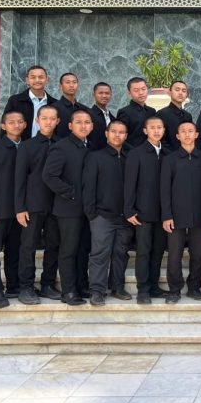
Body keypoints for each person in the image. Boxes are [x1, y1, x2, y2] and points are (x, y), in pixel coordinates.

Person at [42, 109, 94, 306]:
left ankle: (82, 286)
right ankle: (69, 291)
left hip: (87, 209)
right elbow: (49, 176)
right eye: (78, 122)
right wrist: (71, 193)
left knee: (83, 249)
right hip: (68, 209)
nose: (83, 126)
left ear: (92, 126)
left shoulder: (91, 146)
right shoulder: (61, 147)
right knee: (68, 251)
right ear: (70, 126)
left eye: (87, 122)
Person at [82, 120, 133, 306]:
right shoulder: (96, 157)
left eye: (121, 132)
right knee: (100, 254)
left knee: (121, 253)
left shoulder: (131, 156)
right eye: (114, 131)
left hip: (125, 216)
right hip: (102, 216)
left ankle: (117, 287)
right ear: (106, 134)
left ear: (126, 136)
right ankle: (97, 290)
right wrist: (92, 214)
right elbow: (88, 188)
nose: (117, 135)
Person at [15, 105, 61, 305]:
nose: (48, 122)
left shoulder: (62, 144)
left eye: (52, 119)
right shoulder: (27, 146)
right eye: (44, 118)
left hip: (57, 205)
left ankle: (47, 284)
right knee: (28, 246)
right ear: (37, 121)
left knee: (53, 245)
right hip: (32, 206)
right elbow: (19, 179)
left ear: (58, 121)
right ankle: (26, 286)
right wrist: (19, 207)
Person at [0, 111, 26, 309]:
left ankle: (13, 285)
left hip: (21, 210)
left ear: (25, 125)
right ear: (3, 126)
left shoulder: (27, 147)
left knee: (14, 249)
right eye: (11, 122)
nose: (16, 125)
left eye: (20, 122)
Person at [161, 121, 201, 304]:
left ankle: (194, 288)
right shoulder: (170, 159)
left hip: (199, 215)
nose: (187, 134)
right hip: (175, 215)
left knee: (198, 254)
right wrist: (166, 215)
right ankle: (174, 289)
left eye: (190, 131)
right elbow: (164, 190)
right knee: (174, 255)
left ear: (196, 135)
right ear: (177, 136)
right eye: (183, 131)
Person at [124, 115, 169, 304]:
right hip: (142, 212)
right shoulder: (136, 153)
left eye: (159, 127)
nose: (156, 131)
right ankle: (143, 289)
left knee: (158, 251)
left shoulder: (168, 153)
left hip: (163, 213)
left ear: (164, 130)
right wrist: (129, 209)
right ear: (145, 131)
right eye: (152, 127)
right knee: (143, 251)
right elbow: (129, 183)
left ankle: (154, 286)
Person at [0, 65, 56, 140]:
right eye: (33, 77)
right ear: (27, 80)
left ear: (47, 80)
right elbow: (6, 124)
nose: (37, 80)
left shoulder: (54, 103)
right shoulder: (15, 101)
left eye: (41, 77)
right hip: (21, 144)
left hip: (48, 144)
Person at [117, 77, 157, 148]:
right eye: (136, 90)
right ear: (129, 93)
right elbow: (120, 136)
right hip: (133, 152)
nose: (141, 93)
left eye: (143, 89)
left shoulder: (152, 111)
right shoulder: (125, 112)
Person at [53, 72, 91, 139]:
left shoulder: (85, 109)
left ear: (78, 85)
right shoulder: (54, 108)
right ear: (60, 86)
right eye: (67, 82)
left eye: (74, 82)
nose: (71, 85)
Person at [157, 80, 193, 151]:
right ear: (169, 92)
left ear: (186, 95)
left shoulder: (187, 115)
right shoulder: (161, 114)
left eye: (184, 91)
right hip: (168, 155)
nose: (180, 93)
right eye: (177, 90)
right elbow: (159, 139)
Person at [87, 82, 115, 150]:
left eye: (107, 93)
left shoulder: (112, 118)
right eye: (100, 93)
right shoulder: (88, 115)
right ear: (94, 95)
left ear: (111, 95)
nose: (104, 96)